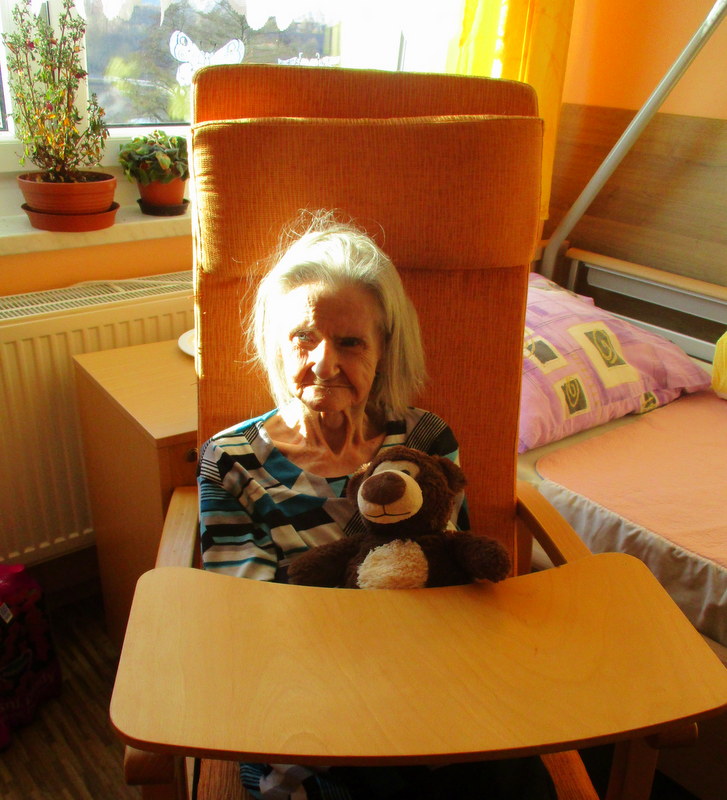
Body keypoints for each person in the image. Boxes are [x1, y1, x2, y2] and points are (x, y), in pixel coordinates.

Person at [197, 212, 556, 800]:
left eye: (351, 342)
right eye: (304, 336)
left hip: (430, 684)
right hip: (312, 705)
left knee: (513, 774)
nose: (325, 363)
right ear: (275, 344)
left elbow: (449, 580)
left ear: (384, 350)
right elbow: (245, 619)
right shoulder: (232, 461)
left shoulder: (425, 441)